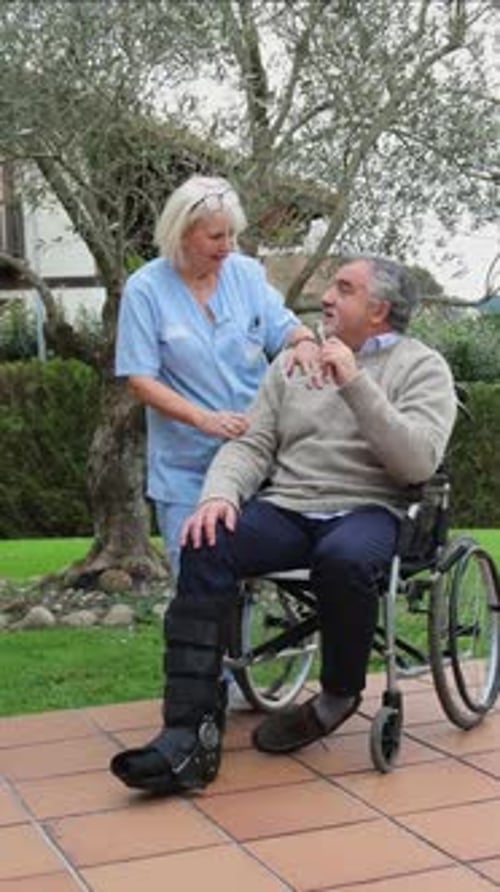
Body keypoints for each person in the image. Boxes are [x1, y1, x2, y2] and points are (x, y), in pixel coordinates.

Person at [110, 255, 457, 796]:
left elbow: (416, 463)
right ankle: (189, 733)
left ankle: (338, 695)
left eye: (343, 289)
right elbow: (252, 443)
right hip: (291, 505)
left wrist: (354, 382)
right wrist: (219, 496)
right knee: (206, 542)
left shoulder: (423, 367)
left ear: (378, 310)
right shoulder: (293, 363)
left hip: (371, 507)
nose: (326, 297)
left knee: (343, 558)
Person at [115, 174, 318, 577]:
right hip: (185, 464)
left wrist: (306, 341)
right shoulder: (145, 290)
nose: (227, 247)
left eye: (232, 235)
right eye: (215, 237)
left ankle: (250, 639)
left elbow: (284, 327)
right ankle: (204, 642)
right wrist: (203, 419)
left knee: (263, 573)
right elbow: (139, 379)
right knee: (196, 573)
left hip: (257, 455)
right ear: (182, 234)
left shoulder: (245, 274)